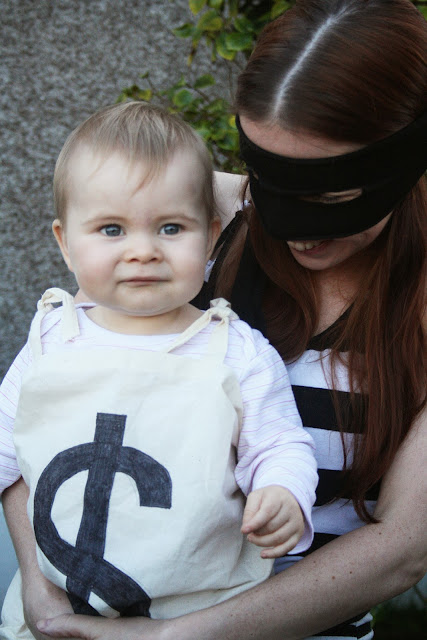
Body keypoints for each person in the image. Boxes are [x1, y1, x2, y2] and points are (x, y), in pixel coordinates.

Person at [3, 0, 426, 639]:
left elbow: (403, 547)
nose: (296, 230)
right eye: (268, 178)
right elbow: (38, 413)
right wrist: (42, 591)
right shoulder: (181, 216)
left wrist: (171, 637)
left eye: (332, 196)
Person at [0, 101, 318, 637]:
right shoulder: (51, 339)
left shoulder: (234, 350)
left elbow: (280, 443)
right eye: (111, 229)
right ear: (65, 244)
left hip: (196, 613)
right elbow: (6, 443)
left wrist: (283, 491)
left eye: (171, 227)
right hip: (58, 614)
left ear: (211, 237)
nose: (143, 251)